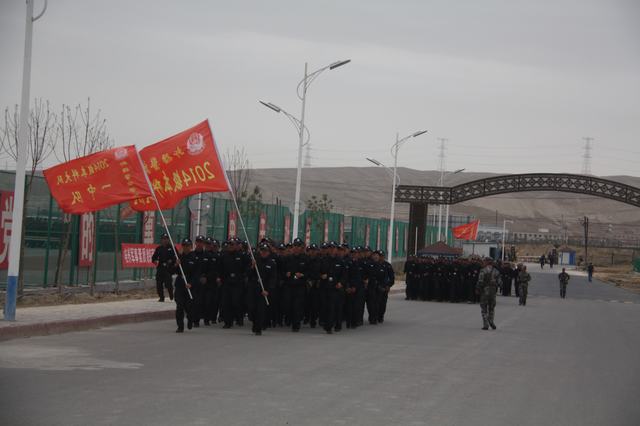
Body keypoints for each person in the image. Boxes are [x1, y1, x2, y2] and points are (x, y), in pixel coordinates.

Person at [249, 243, 277, 335]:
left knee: (260, 310)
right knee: (252, 308)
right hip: (254, 288)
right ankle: (254, 323)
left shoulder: (272, 263)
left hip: (264, 289)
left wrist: (268, 290)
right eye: (262, 251)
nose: (264, 253)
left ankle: (258, 328)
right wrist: (252, 267)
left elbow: (273, 278)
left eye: (265, 251)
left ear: (268, 252)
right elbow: (249, 275)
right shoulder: (255, 261)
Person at [174, 238, 197, 333]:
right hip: (180, 284)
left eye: (187, 245)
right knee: (179, 306)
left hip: (190, 285)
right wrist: (176, 265)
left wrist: (191, 283)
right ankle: (180, 326)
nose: (186, 247)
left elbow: (196, 274)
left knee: (189, 307)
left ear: (191, 246)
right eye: (184, 245)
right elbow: (173, 271)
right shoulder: (179, 257)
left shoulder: (194, 258)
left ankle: (190, 319)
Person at [476, 258, 501, 330]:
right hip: (493, 291)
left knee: (484, 308)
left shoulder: (483, 270)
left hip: (485, 291)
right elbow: (500, 282)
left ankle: (486, 324)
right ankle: (491, 321)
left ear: (486, 262)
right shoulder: (496, 271)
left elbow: (480, 281)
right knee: (491, 308)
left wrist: (478, 288)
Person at [151, 234, 175, 302]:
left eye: (166, 239)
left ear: (168, 239)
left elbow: (176, 257)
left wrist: (171, 261)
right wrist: (155, 261)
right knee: (159, 283)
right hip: (160, 268)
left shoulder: (172, 248)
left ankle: (171, 294)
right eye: (163, 239)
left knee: (168, 283)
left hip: (168, 268)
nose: (165, 240)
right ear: (161, 240)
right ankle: (161, 297)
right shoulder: (159, 248)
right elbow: (154, 257)